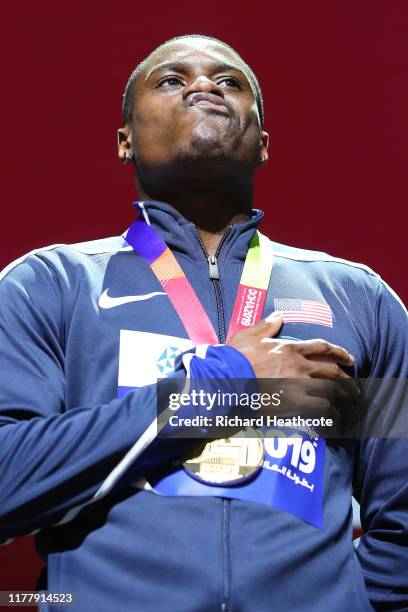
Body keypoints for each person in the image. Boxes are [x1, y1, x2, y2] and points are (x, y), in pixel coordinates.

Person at [0, 34, 407, 612]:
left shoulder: (358, 299)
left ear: (263, 143)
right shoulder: (50, 286)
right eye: (171, 79)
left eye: (230, 82)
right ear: (125, 141)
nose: (204, 85)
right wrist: (229, 382)